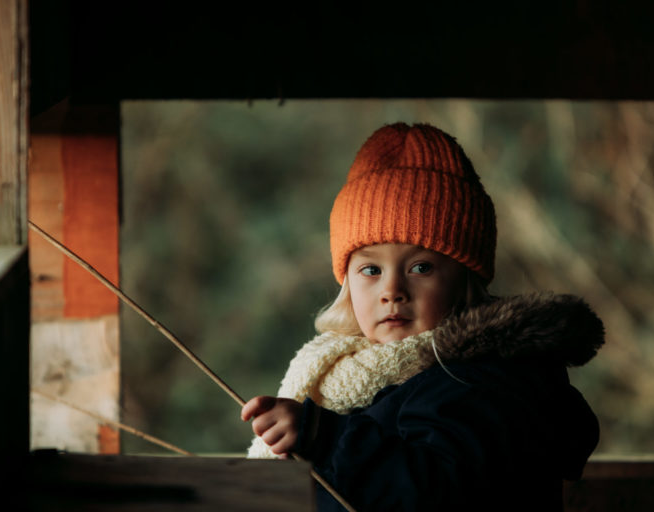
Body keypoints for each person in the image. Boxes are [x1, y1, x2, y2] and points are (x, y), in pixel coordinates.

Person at [241, 123, 604, 511]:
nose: (392, 290)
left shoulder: (479, 380)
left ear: (464, 281)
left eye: (421, 268)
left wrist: (323, 436)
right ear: (347, 283)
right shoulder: (352, 380)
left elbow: (434, 493)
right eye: (370, 270)